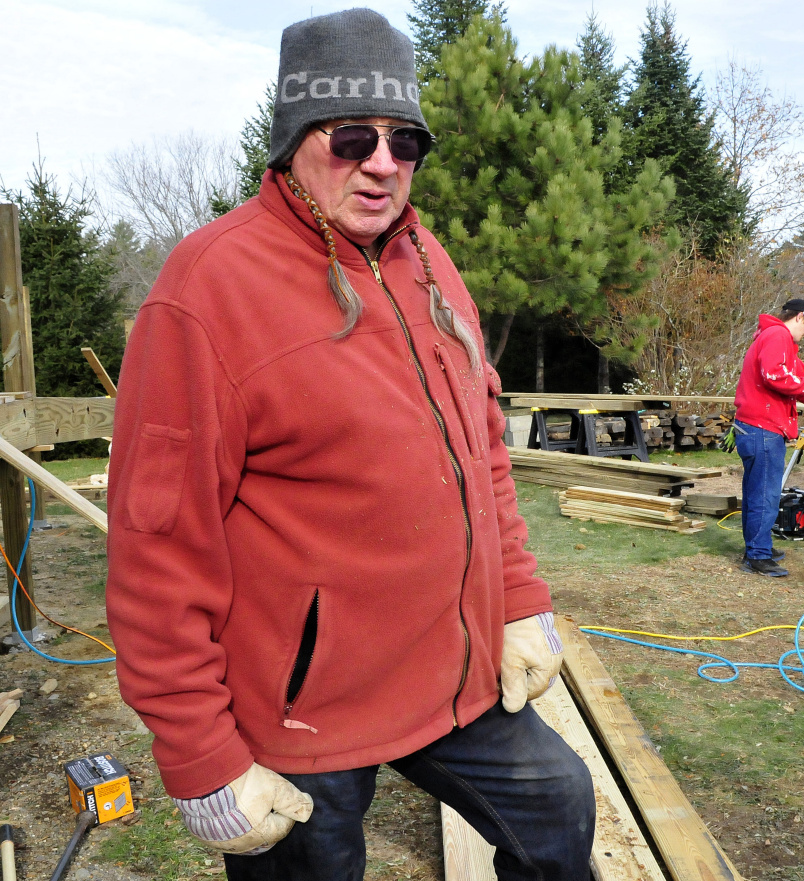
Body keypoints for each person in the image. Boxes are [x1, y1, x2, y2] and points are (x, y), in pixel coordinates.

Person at [104, 9, 595, 880]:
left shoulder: (427, 260)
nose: (382, 162)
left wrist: (518, 597)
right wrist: (199, 754)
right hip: (302, 712)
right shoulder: (207, 289)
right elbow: (157, 547)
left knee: (557, 809)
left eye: (405, 141)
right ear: (293, 140)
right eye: (352, 137)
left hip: (453, 673)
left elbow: (481, 445)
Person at [732, 299, 804, 577]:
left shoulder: (776, 339)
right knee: (765, 494)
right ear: (800, 317)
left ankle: (757, 545)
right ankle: (757, 556)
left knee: (756, 493)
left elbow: (796, 385)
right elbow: (774, 375)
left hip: (754, 427)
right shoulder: (778, 335)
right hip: (762, 429)